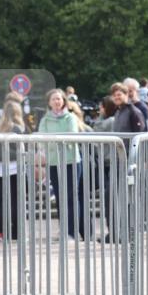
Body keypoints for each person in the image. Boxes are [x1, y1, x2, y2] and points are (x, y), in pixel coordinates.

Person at [37, 88, 86, 240]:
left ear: (64, 101)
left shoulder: (70, 117)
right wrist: (56, 142)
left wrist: (54, 141)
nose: (57, 101)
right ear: (49, 103)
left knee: (71, 196)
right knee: (59, 196)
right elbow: (42, 140)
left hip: (71, 161)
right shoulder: (45, 120)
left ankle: (72, 231)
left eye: (59, 98)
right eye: (54, 99)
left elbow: (72, 136)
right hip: (54, 162)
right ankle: (64, 229)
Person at [0, 101, 26, 241]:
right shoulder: (17, 128)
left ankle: (0, 230)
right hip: (15, 168)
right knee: (16, 201)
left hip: (0, 169)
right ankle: (16, 232)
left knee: (2, 200)